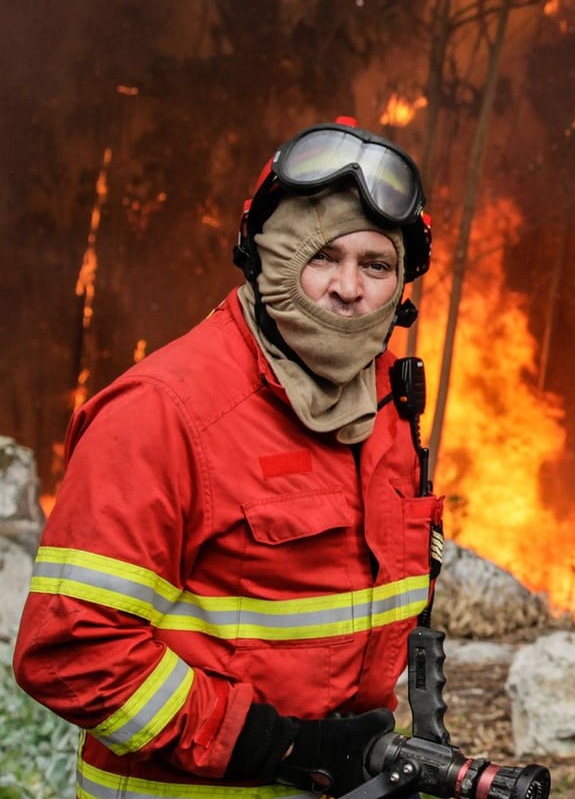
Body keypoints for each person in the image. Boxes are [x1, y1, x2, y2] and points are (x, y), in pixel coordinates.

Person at [14, 118, 440, 798]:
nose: (349, 289)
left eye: (376, 265)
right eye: (323, 255)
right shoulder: (163, 413)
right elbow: (71, 650)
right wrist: (284, 746)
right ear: (265, 258)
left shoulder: (387, 410)